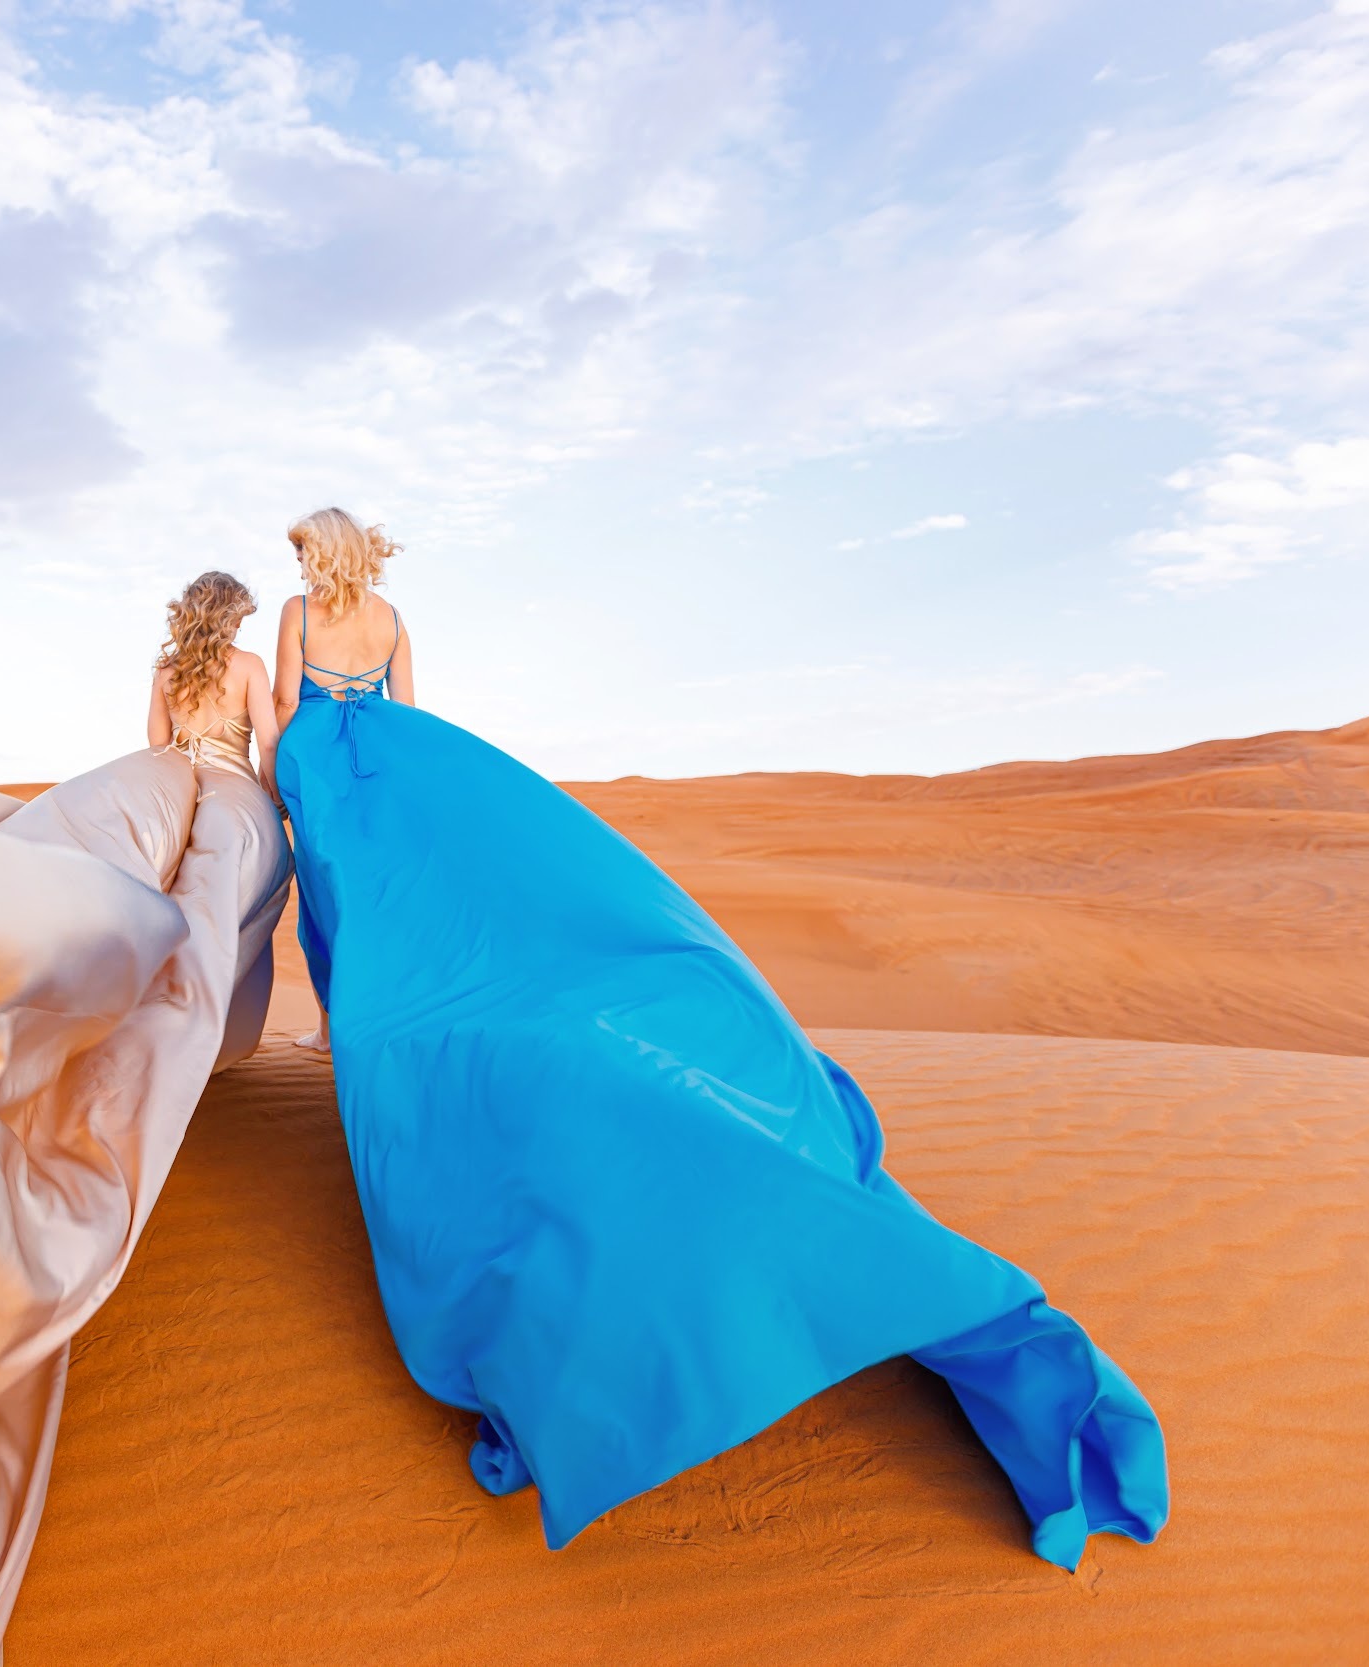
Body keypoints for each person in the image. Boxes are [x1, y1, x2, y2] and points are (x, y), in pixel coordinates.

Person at [266, 505, 1169, 1569]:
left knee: (364, 931)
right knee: (435, 922)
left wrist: (296, 788)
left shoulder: (296, 612)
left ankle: (357, 1044)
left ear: (308, 557)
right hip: (405, 779)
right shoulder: (392, 615)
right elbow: (413, 714)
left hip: (326, 779)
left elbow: (287, 708)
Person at [149, 570, 279, 789]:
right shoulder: (250, 666)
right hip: (233, 789)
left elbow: (157, 748)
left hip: (180, 791)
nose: (240, 626)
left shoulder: (166, 672)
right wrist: (275, 795)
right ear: (230, 618)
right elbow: (268, 745)